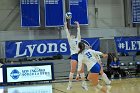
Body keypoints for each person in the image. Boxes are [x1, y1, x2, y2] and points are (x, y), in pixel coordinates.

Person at [64, 21, 88, 90]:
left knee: (82, 71)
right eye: (71, 35)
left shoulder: (78, 39)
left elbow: (78, 32)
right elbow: (67, 32)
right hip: (74, 55)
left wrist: (78, 25)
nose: (71, 35)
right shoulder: (70, 40)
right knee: (72, 70)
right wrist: (65, 26)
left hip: (80, 55)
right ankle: (69, 85)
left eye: (72, 35)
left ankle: (84, 85)